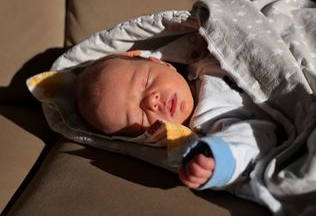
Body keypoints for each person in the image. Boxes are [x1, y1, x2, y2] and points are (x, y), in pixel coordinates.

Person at [75, 50, 278, 190]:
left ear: (162, 63)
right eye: (137, 114)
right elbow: (259, 137)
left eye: (145, 82)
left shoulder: (203, 54)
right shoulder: (208, 126)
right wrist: (220, 158)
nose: (151, 101)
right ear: (144, 137)